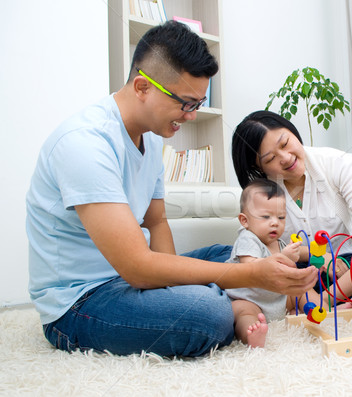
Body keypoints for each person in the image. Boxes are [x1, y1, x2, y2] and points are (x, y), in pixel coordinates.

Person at [25, 21, 317, 357]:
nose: (191, 116)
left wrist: (174, 287)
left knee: (233, 250)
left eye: (198, 104)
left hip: (131, 278)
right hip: (82, 301)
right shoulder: (85, 145)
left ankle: (233, 296)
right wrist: (246, 275)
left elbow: (157, 222)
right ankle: (230, 303)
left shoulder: (149, 139)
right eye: (186, 103)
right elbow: (136, 268)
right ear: (142, 87)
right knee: (209, 313)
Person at [231, 110, 352, 307]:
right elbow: (256, 243)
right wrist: (319, 257)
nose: (286, 158)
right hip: (296, 272)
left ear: (293, 132)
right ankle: (326, 301)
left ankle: (323, 302)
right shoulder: (262, 191)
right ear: (259, 168)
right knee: (246, 265)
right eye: (270, 158)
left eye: (285, 143)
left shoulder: (333, 161)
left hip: (349, 267)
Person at [225, 179, 308, 348]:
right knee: (242, 312)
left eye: (281, 217)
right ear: (244, 221)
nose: (275, 222)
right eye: (265, 217)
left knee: (302, 290)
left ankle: (322, 311)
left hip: (277, 299)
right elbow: (252, 267)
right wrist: (284, 257)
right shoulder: (248, 238)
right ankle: (251, 336)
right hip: (250, 299)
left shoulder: (280, 243)